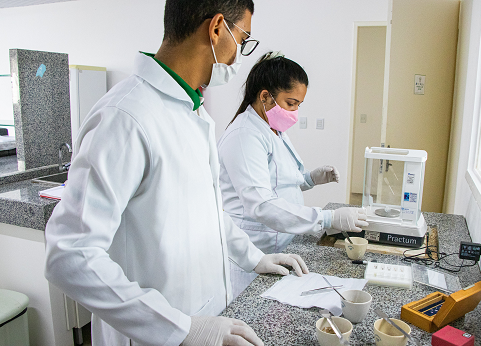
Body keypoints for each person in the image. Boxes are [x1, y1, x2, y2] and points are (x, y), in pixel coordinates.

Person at [44, 2, 309, 346]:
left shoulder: (192, 112)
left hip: (203, 320)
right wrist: (180, 329)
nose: (238, 54)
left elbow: (206, 212)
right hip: (152, 333)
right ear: (216, 29)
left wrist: (254, 257)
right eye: (242, 39)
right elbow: (70, 254)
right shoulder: (125, 117)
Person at [217, 52, 369, 298]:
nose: (295, 111)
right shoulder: (244, 136)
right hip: (256, 250)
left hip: (282, 244)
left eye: (299, 104)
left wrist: (309, 179)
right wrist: (328, 218)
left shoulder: (272, 128)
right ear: (265, 96)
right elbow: (262, 204)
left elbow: (280, 183)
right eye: (291, 103)